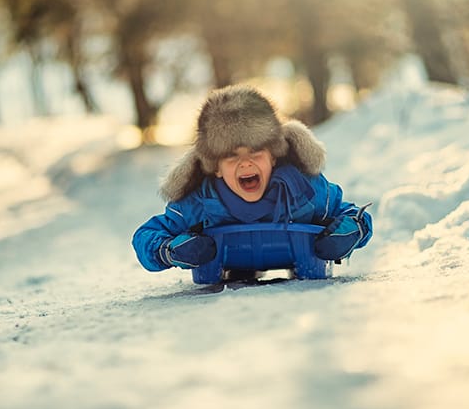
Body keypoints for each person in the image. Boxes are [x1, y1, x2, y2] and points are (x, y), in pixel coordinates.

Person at [132, 84, 373, 273]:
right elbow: (145, 236)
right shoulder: (198, 204)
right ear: (215, 168)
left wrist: (351, 231)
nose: (245, 163)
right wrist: (169, 251)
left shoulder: (305, 192)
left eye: (256, 153)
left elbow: (353, 215)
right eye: (231, 156)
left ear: (274, 157)